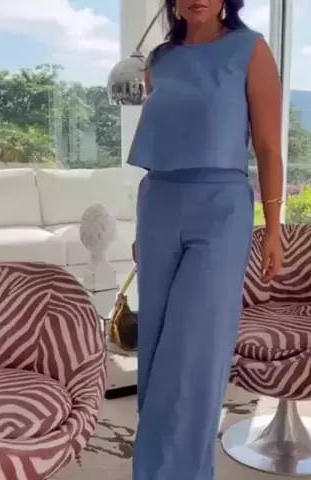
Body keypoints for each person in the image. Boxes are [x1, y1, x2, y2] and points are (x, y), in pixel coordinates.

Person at [128, 1, 283, 478]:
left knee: (194, 350)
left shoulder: (251, 50)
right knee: (155, 347)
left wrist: (273, 229)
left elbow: (268, 148)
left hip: (221, 207)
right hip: (157, 204)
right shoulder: (159, 60)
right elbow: (164, 143)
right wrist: (139, 232)